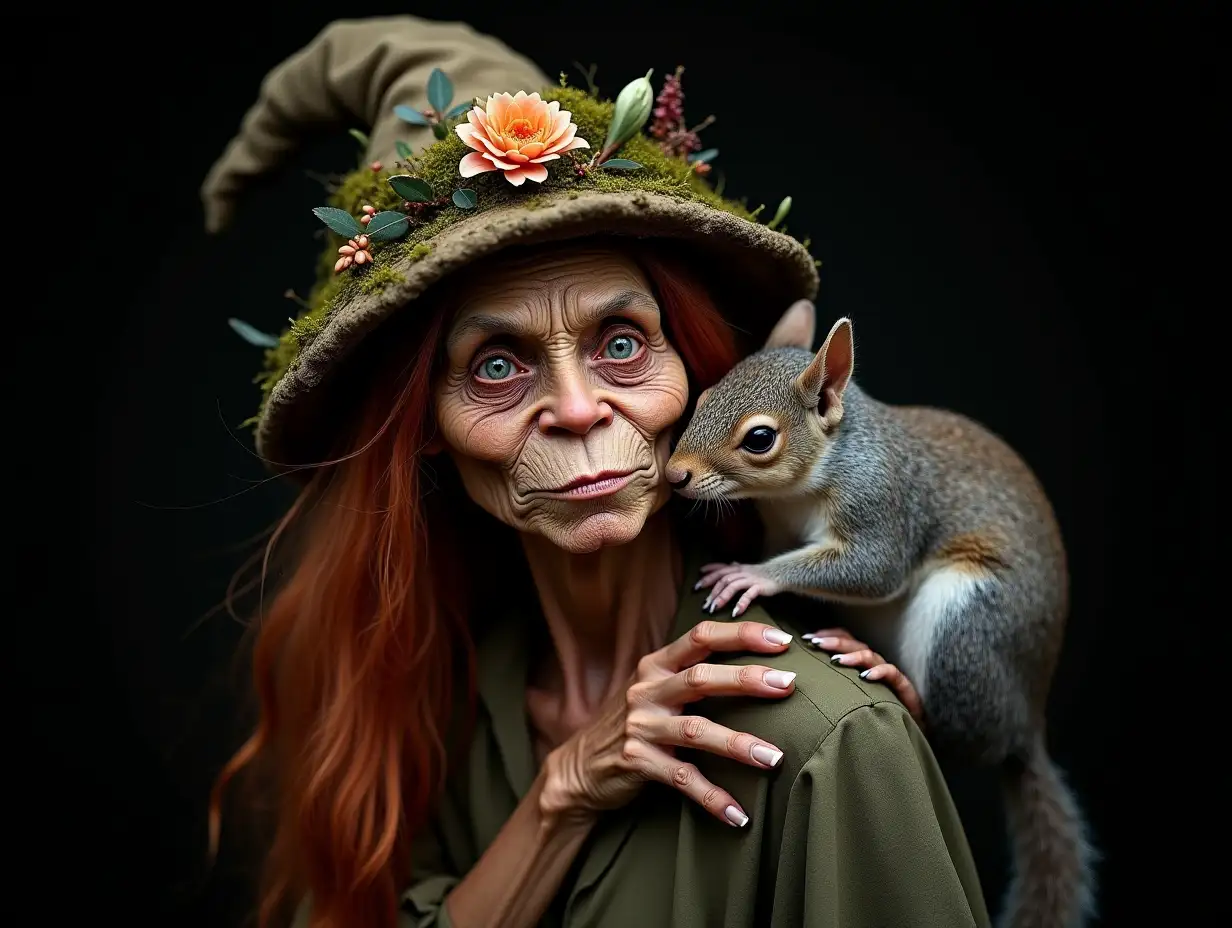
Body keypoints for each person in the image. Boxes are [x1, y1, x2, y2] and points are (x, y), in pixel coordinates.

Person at [203, 15, 990, 928]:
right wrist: (563, 790)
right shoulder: (430, 704)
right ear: (422, 427)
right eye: (496, 365)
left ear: (694, 376)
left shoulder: (824, 737)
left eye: (622, 344)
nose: (578, 410)